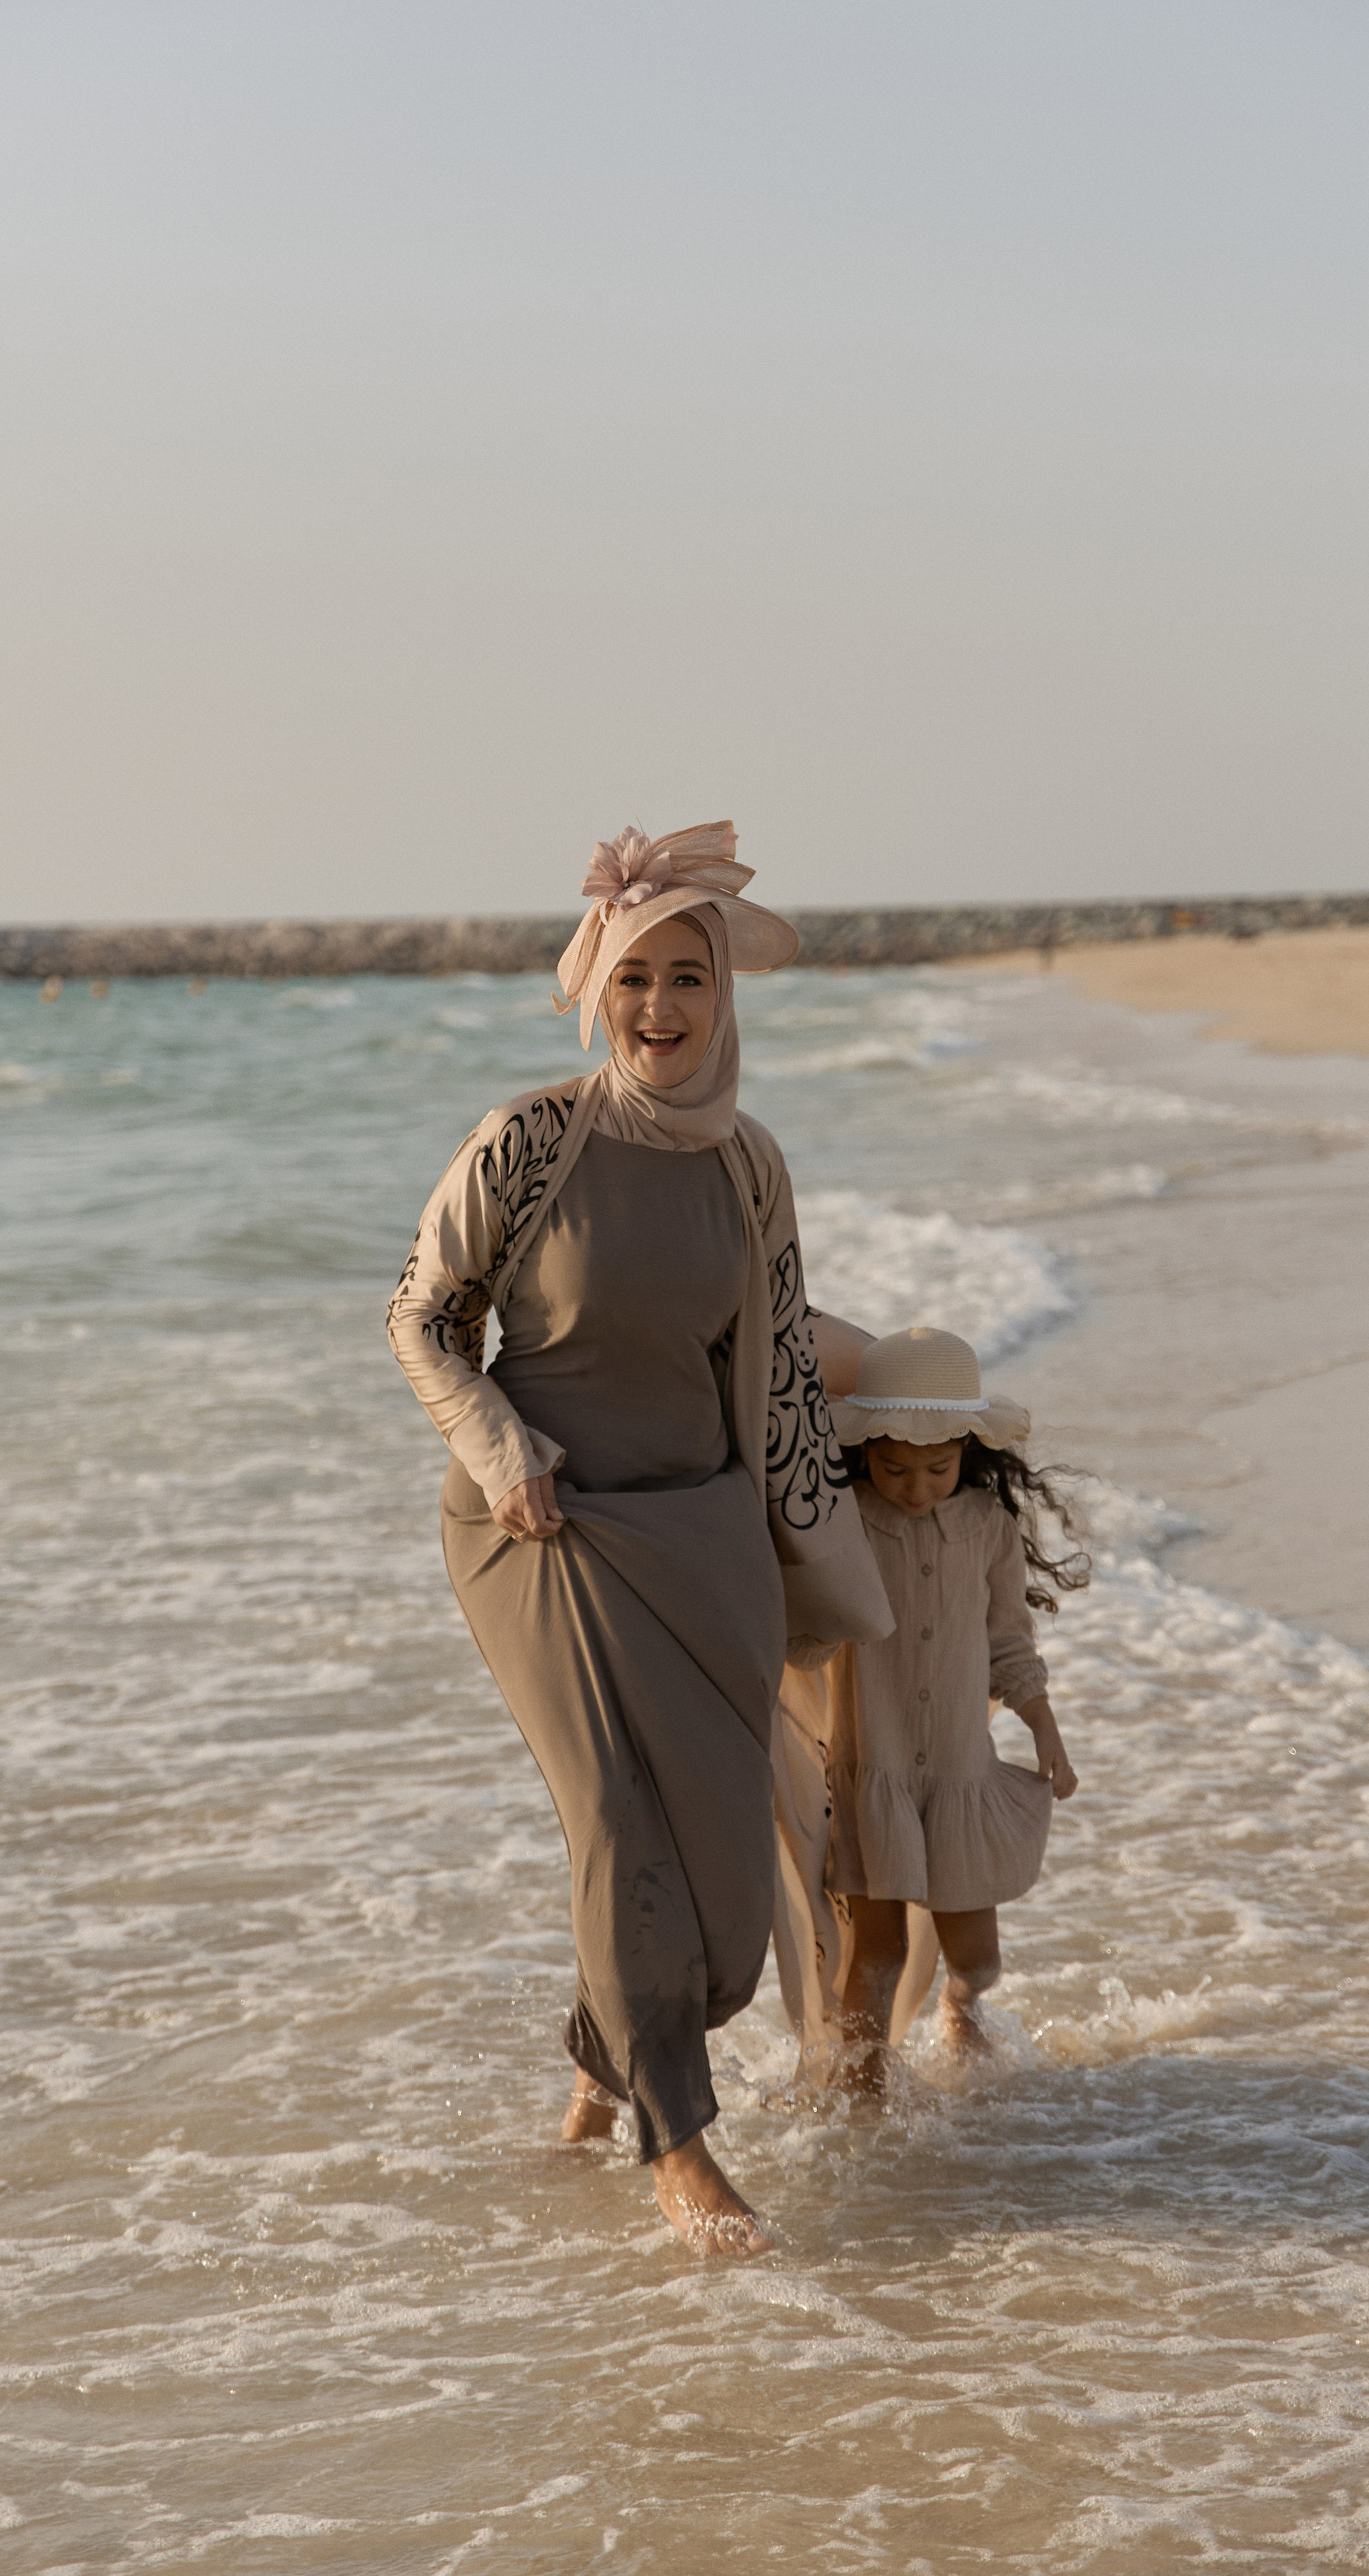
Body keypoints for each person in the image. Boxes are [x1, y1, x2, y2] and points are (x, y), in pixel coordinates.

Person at [386, 821, 888, 2255]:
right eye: (634, 983)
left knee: (730, 1889)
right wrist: (501, 1448)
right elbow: (420, 1321)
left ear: (723, 996)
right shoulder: (526, 1142)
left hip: (706, 1534)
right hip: (539, 1527)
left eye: (687, 981)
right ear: (595, 990)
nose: (659, 1011)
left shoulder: (749, 1166)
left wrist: (898, 1418)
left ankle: (608, 2047)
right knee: (612, 1818)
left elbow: (779, 1358)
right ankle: (684, 2152)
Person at [773, 1325, 1085, 2093]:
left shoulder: (987, 1528)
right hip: (869, 1768)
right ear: (866, 1448)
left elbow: (1008, 1641)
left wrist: (1044, 1728)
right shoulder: (844, 1520)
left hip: (958, 1771)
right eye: (894, 1467)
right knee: (874, 1956)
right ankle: (862, 2087)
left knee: (977, 1955)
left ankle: (959, 2006)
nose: (915, 1488)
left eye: (937, 1469)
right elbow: (807, 1647)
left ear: (968, 1454)